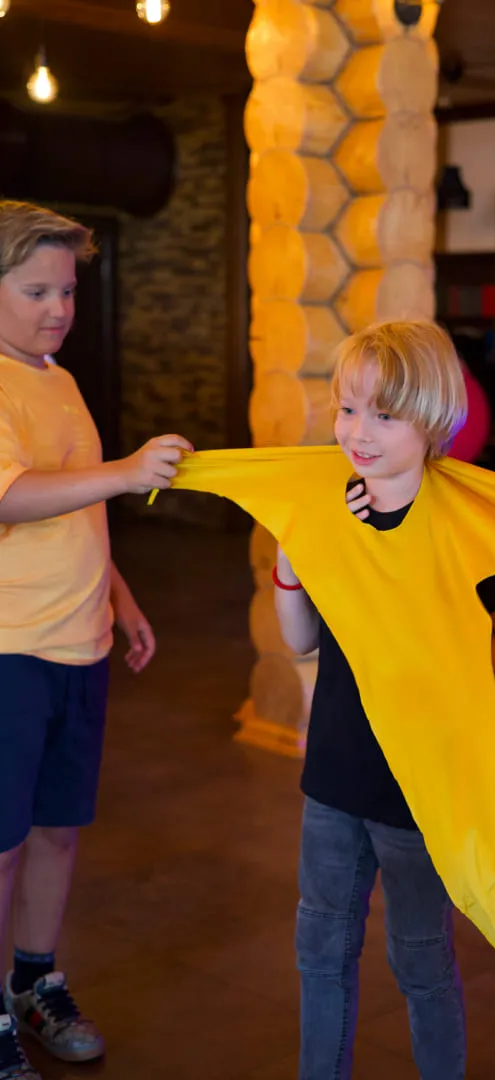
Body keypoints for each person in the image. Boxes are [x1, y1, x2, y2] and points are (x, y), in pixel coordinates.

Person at [273, 320, 495, 1080]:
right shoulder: (333, 508)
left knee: (421, 960)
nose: (357, 432)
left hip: (419, 790)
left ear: (432, 419)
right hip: (333, 777)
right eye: (347, 409)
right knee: (319, 953)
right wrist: (291, 562)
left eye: (384, 414)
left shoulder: (461, 530)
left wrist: (433, 652)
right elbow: (301, 639)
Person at [0, 200, 192, 1080]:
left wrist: (122, 595)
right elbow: (10, 495)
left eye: (68, 291)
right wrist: (126, 472)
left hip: (81, 644)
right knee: (2, 847)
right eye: (37, 290)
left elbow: (72, 503)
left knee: (57, 831)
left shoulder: (58, 377)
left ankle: (34, 982)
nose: (59, 309)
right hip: (11, 651)